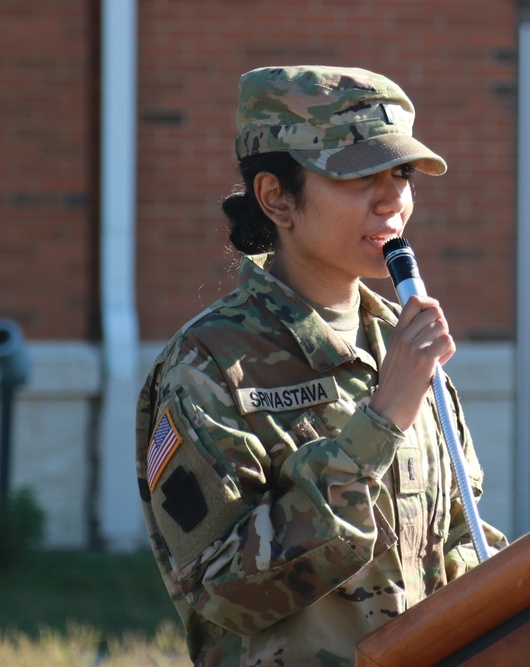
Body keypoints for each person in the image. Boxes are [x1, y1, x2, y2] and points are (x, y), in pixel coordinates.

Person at [135, 65, 507, 667]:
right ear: (276, 197)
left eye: (402, 173)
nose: (393, 199)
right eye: (360, 175)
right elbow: (225, 593)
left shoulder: (401, 342)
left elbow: (458, 544)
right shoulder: (207, 365)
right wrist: (380, 421)